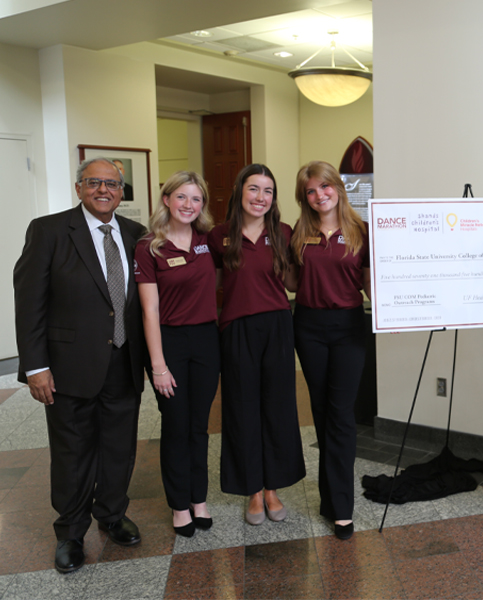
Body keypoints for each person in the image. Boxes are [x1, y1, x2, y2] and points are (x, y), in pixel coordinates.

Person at [14, 157, 146, 573]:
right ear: (78, 188)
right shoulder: (49, 230)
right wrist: (35, 366)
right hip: (70, 365)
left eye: (111, 184)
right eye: (94, 183)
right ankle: (70, 532)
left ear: (122, 191)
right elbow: (29, 302)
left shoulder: (136, 234)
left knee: (119, 448)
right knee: (72, 452)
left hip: (125, 362)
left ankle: (111, 514)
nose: (103, 190)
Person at [208, 163, 305, 525]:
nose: (260, 197)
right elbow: (210, 284)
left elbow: (293, 283)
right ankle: (252, 490)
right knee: (242, 410)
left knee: (277, 409)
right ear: (239, 192)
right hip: (236, 329)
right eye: (253, 189)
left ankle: (273, 488)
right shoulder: (219, 236)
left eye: (268, 191)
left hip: (278, 325)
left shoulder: (283, 232)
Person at [288, 161, 370, 540]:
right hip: (307, 327)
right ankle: (329, 499)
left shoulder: (362, 232)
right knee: (322, 414)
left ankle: (342, 508)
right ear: (304, 197)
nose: (319, 195)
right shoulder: (297, 234)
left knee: (341, 415)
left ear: (338, 188)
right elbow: (290, 280)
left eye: (325, 187)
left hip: (348, 327)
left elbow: (372, 285)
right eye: (310, 191)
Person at [135, 172, 219, 537]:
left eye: (196, 199)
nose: (189, 205)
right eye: (181, 197)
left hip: (206, 341)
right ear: (166, 199)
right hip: (168, 342)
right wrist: (158, 366)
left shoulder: (207, 240)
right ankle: (178, 504)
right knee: (176, 425)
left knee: (198, 426)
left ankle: (198, 498)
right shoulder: (149, 246)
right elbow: (148, 311)